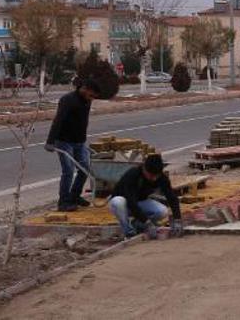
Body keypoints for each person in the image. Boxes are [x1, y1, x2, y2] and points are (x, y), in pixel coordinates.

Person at [44, 79, 100, 212]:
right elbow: (58, 120)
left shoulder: (86, 101)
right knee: (68, 171)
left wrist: (84, 142)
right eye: (91, 95)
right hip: (64, 141)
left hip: (79, 142)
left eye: (94, 97)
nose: (92, 99)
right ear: (84, 88)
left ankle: (74, 196)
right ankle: (63, 202)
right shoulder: (68, 100)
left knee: (85, 169)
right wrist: (50, 141)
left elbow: (81, 121)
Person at [108, 154, 183, 239]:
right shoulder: (133, 175)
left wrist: (177, 219)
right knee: (118, 202)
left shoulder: (161, 178)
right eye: (151, 175)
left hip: (140, 202)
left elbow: (172, 197)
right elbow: (131, 202)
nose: (154, 179)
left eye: (156, 176)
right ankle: (129, 232)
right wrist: (147, 222)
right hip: (124, 204)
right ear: (144, 169)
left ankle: (137, 224)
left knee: (162, 211)